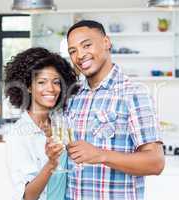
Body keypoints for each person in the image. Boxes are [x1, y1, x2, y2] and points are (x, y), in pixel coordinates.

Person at [54, 20, 165, 200]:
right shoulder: (73, 96)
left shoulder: (133, 92)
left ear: (106, 42)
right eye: (72, 51)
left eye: (86, 45)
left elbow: (155, 162)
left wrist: (100, 155)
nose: (80, 55)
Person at [4, 47, 78, 200]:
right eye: (42, 82)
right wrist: (51, 163)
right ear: (29, 87)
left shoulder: (62, 121)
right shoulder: (18, 135)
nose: (51, 88)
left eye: (56, 82)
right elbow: (28, 196)